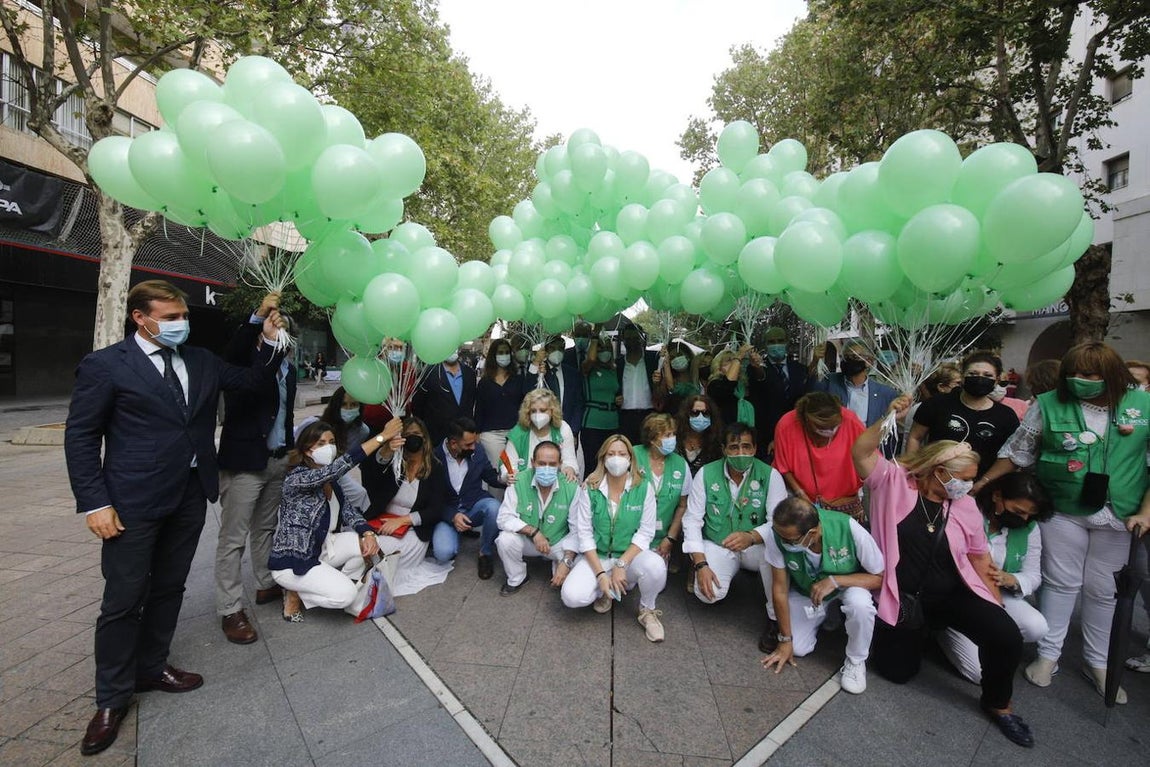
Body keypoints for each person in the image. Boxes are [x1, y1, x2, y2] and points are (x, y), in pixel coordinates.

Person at [65, 280, 285, 756]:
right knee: (124, 599)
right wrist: (95, 503)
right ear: (140, 318)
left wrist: (267, 340)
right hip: (131, 502)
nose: (178, 324)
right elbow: (81, 436)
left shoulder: (201, 361)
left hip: (190, 493)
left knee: (169, 587)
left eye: (181, 315)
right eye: (168, 317)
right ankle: (111, 699)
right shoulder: (107, 366)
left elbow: (251, 381)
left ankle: (152, 666)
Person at [853, 397, 1036, 748]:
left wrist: (995, 607)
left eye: (971, 479)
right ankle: (925, 635)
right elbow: (861, 451)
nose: (968, 485)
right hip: (903, 596)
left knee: (1006, 635)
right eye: (963, 478)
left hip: (953, 592)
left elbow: (980, 560)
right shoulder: (893, 482)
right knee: (897, 673)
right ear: (938, 470)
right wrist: (890, 416)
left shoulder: (965, 505)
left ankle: (1000, 704)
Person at [977, 342, 1150, 703]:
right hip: (1064, 509)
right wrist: (980, 484)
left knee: (1103, 591)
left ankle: (1097, 662)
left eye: (1089, 374)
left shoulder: (1143, 404)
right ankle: (1048, 655)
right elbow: (1017, 452)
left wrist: (1146, 513)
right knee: (1061, 582)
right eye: (1073, 374)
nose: (1079, 380)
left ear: (1111, 373)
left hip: (1121, 514)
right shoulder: (1049, 403)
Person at [214, 297, 297, 645]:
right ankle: (230, 607)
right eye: (276, 328)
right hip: (246, 461)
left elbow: (285, 414)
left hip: (278, 459)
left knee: (266, 527)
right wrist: (258, 318)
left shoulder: (288, 369)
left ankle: (265, 583)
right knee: (233, 537)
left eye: (286, 332)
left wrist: (291, 450)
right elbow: (234, 354)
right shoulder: (244, 361)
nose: (281, 335)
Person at [759, 497, 884, 694]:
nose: (783, 542)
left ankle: (856, 661)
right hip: (808, 591)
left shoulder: (847, 527)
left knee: (860, 605)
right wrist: (785, 640)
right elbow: (780, 589)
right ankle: (828, 614)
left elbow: (879, 577)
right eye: (779, 535)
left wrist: (836, 581)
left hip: (848, 585)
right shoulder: (778, 534)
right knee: (798, 648)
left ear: (812, 533)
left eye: (789, 540)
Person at [938, 473, 1054, 685]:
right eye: (1019, 511)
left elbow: (1034, 575)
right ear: (997, 496)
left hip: (999, 594)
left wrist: (1012, 579)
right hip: (959, 595)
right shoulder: (968, 511)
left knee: (1037, 626)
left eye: (1030, 515)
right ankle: (945, 632)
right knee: (980, 674)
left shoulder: (1030, 528)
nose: (1024, 519)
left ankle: (990, 638)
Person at [269, 420, 389, 621]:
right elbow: (335, 469)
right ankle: (295, 592)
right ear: (307, 450)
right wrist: (381, 437)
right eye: (321, 443)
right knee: (346, 597)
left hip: (324, 547)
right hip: (294, 562)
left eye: (331, 442)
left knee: (367, 545)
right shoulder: (297, 478)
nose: (329, 447)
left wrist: (368, 533)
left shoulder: (331, 481)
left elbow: (350, 511)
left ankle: (334, 582)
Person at [682, 422, 788, 650]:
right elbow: (692, 519)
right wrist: (700, 564)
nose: (741, 453)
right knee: (708, 594)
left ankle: (773, 619)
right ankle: (718, 571)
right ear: (724, 449)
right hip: (719, 543)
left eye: (746, 447)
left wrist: (752, 536)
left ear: (755, 448)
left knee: (775, 552)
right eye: (734, 447)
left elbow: (778, 522)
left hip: (755, 546)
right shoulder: (706, 473)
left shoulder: (771, 476)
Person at [560, 435, 668, 642]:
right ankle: (605, 590)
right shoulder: (590, 487)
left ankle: (648, 610)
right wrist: (601, 574)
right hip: (597, 556)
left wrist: (621, 563)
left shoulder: (643, 487)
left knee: (656, 565)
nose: (616, 459)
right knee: (571, 597)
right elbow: (584, 534)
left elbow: (646, 533)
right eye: (611, 454)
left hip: (629, 557)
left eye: (621, 454)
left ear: (630, 458)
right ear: (603, 458)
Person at [360, 415, 447, 578]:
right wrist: (385, 451)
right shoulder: (394, 463)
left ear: (424, 437)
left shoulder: (435, 467)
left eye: (416, 433)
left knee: (376, 549)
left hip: (412, 530)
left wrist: (401, 521)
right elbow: (371, 478)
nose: (411, 438)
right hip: (381, 522)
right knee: (360, 544)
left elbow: (436, 510)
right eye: (406, 435)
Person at [907, 351, 1020, 476]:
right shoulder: (937, 403)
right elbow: (915, 437)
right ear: (962, 376)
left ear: (997, 380)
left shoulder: (1006, 416)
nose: (980, 378)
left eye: (987, 375)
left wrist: (984, 482)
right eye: (973, 374)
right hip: (933, 480)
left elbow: (1011, 455)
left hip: (980, 487)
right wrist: (914, 470)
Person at [495, 441, 585, 595]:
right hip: (529, 541)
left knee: (573, 589)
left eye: (552, 464)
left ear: (560, 464)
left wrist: (567, 561)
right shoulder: (518, 481)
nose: (547, 468)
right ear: (532, 462)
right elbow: (503, 518)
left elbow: (577, 530)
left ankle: (558, 565)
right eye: (542, 463)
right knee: (505, 539)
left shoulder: (571, 488)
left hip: (558, 543)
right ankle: (517, 577)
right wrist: (534, 532)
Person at [773, 392, 867, 522]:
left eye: (834, 426)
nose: (829, 430)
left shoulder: (850, 420)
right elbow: (783, 467)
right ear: (806, 420)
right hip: (803, 501)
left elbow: (869, 457)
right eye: (822, 427)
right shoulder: (787, 425)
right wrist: (800, 493)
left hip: (846, 502)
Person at [433, 416, 505, 579]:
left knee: (494, 507)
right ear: (453, 444)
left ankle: (485, 553)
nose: (474, 447)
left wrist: (504, 479)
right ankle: (455, 532)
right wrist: (452, 516)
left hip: (474, 506)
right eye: (468, 444)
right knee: (443, 554)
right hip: (447, 514)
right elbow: (431, 499)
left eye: (475, 442)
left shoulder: (477, 450)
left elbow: (489, 475)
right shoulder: (434, 457)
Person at [813, 340, 899, 454]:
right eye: (846, 357)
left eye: (854, 356)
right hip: (836, 449)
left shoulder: (886, 393)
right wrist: (814, 361)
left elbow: (889, 432)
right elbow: (810, 392)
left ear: (869, 362)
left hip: (868, 453)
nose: (849, 361)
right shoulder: (830, 382)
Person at [632, 413, 691, 566]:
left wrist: (670, 539)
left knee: (653, 577)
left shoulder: (680, 464)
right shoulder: (632, 455)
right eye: (667, 435)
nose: (672, 439)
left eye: (673, 434)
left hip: (661, 541)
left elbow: (683, 505)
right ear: (652, 438)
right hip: (629, 537)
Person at [474, 337, 525, 500]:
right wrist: (477, 433)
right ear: (493, 356)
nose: (504, 355)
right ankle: (496, 510)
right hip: (491, 435)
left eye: (506, 352)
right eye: (500, 353)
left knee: (515, 470)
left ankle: (515, 508)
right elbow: (479, 410)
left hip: (515, 433)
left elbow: (524, 405)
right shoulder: (484, 382)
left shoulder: (518, 379)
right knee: (498, 473)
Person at [752, 326, 810, 456]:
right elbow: (761, 380)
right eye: (771, 342)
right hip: (766, 437)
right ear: (766, 344)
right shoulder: (755, 369)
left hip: (796, 433)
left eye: (780, 340)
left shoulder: (800, 369)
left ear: (786, 342)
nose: (776, 345)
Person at [500, 388, 578, 482]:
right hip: (525, 483)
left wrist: (570, 468)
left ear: (552, 411)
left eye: (543, 410)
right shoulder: (518, 432)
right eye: (533, 411)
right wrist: (508, 475)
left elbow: (569, 460)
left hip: (556, 482)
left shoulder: (563, 428)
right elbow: (508, 465)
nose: (537, 415)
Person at [411, 347, 477, 445]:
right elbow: (417, 406)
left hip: (463, 438)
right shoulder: (429, 373)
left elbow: (470, 403)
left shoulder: (469, 373)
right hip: (437, 437)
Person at [580, 334, 621, 476]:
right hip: (592, 422)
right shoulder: (588, 368)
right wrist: (595, 337)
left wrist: (618, 399)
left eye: (607, 348)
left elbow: (615, 391)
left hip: (612, 422)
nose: (605, 352)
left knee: (611, 465)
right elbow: (590, 359)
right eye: (600, 348)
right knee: (592, 466)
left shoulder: (614, 370)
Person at [537, 334, 586, 446]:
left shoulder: (573, 374)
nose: (557, 352)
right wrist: (538, 370)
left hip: (567, 431)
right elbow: (528, 392)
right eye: (553, 348)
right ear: (546, 350)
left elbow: (578, 404)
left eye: (560, 348)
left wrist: (573, 432)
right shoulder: (540, 371)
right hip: (542, 431)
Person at [615, 323, 660, 445]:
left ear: (642, 338)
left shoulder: (653, 359)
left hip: (649, 416)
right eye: (628, 339)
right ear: (623, 340)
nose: (631, 342)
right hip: (625, 417)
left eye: (635, 338)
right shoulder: (618, 364)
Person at [902, 363, 961, 446]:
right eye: (958, 383)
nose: (961, 387)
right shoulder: (920, 408)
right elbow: (910, 441)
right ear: (941, 387)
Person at [706, 345, 758, 432]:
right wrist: (738, 358)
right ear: (718, 367)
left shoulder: (743, 386)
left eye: (734, 360)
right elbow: (728, 385)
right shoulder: (714, 385)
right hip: (725, 435)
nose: (733, 363)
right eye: (728, 361)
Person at [676, 394, 725, 475]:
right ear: (686, 414)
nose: (700, 417)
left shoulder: (717, 443)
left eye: (705, 413)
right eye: (695, 413)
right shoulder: (675, 439)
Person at [652, 340, 702, 417]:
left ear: (687, 355)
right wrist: (665, 362)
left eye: (679, 355)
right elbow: (671, 388)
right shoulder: (667, 380)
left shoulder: (699, 373)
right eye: (672, 358)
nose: (676, 359)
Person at [317, 386, 371, 450]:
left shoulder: (362, 431)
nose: (348, 408)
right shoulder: (314, 424)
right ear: (335, 405)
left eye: (354, 404)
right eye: (343, 404)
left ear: (360, 407)